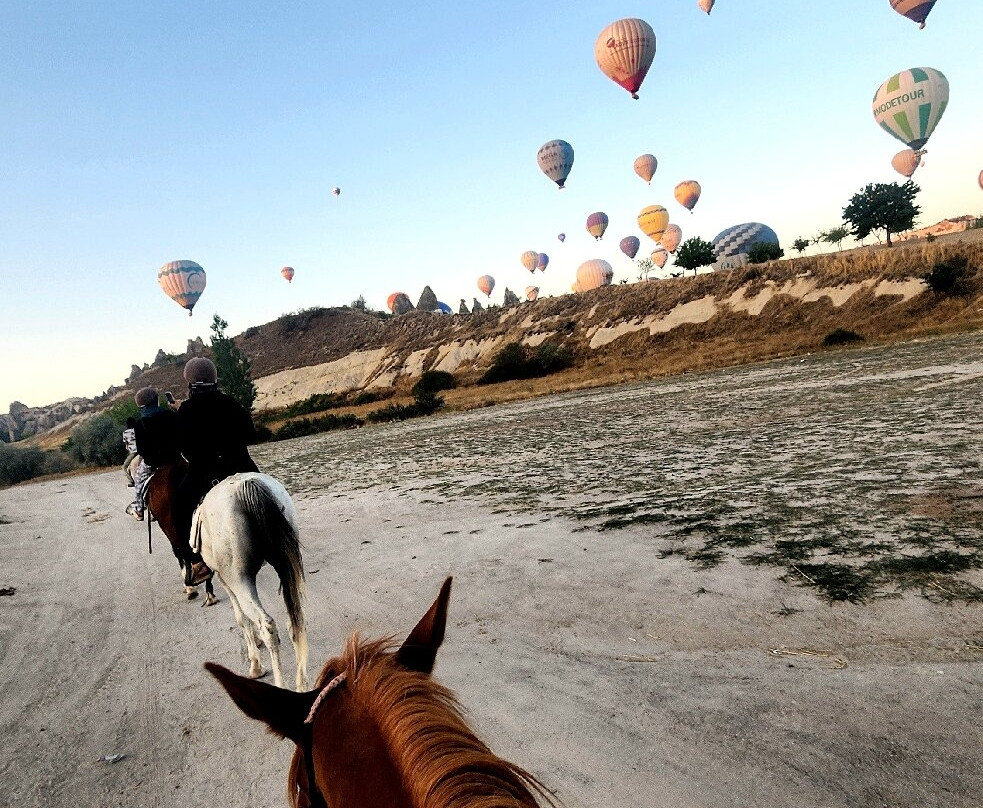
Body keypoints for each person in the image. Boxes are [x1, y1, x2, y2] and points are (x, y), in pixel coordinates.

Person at [173, 357, 259, 586]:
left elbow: (181, 448)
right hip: (241, 467)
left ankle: (197, 563)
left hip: (204, 474)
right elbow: (251, 433)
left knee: (179, 505)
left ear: (189, 382)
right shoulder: (230, 402)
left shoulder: (186, 409)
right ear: (214, 378)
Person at [131, 387, 180, 522]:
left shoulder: (140, 423)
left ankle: (139, 509)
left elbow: (141, 450)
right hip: (174, 458)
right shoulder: (170, 415)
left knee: (139, 480)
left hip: (153, 462)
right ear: (156, 401)